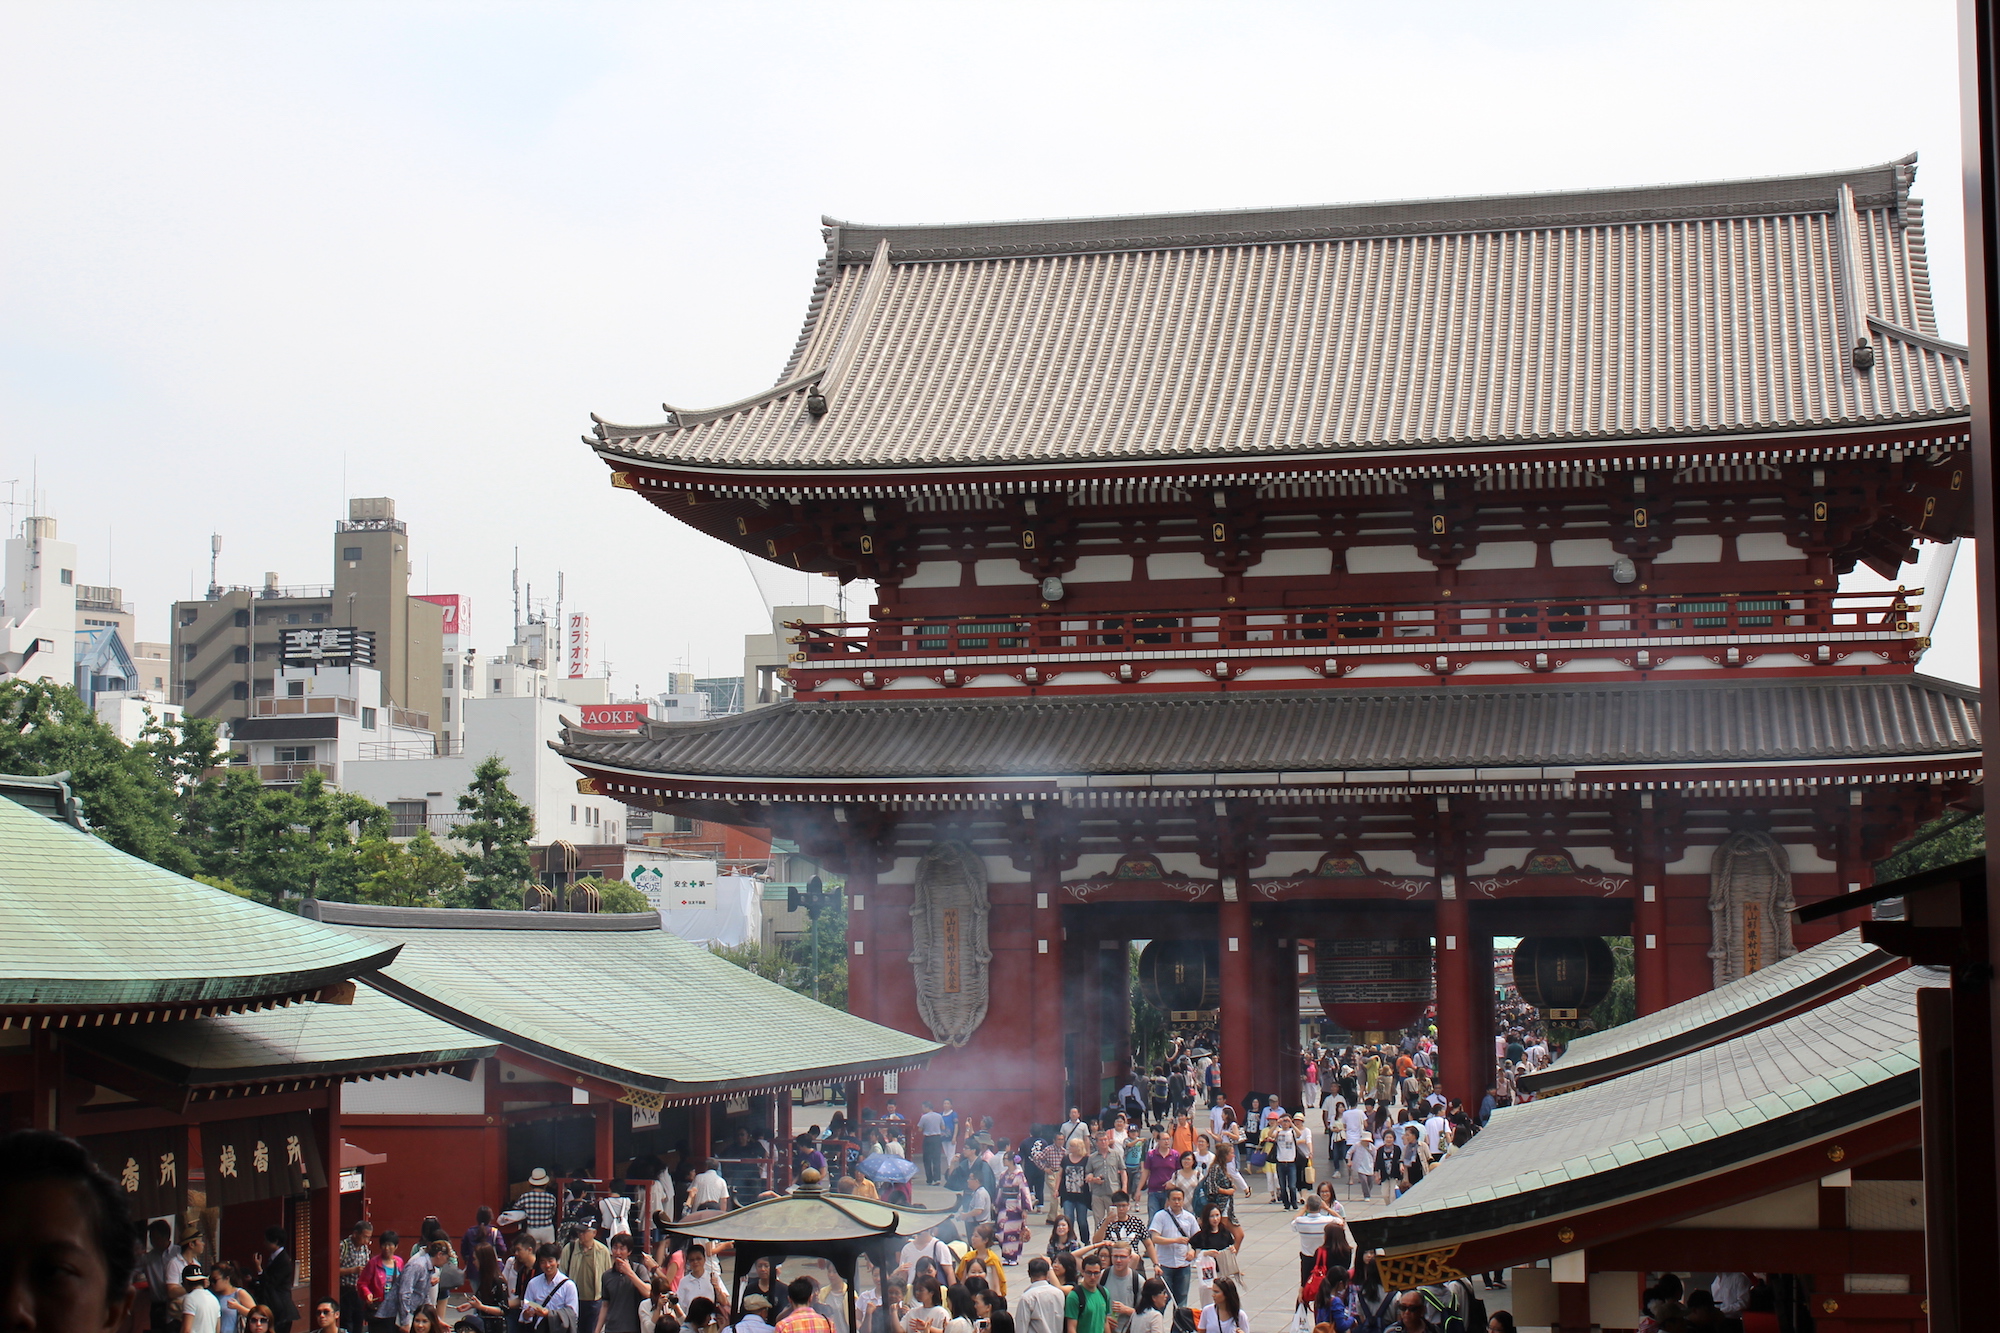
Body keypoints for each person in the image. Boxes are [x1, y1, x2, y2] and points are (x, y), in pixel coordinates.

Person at [1146, 1187, 1196, 1308]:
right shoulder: (1160, 1216)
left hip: (1183, 1264)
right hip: (1165, 1264)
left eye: (1179, 1199)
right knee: (1160, 1300)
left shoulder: (1189, 1218)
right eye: (1174, 1199)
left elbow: (1197, 1240)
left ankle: (1179, 1326)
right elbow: (1155, 1238)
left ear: (1183, 1200)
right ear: (1168, 1200)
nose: (1177, 1202)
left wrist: (1192, 1251)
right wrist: (1175, 1240)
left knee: (1181, 1300)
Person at [561, 1224, 612, 1333]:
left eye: (584, 1232)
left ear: (594, 1233)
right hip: (573, 1300)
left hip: (595, 1301)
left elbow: (608, 1275)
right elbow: (561, 1274)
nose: (581, 1235)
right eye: (579, 1232)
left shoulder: (603, 1250)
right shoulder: (569, 1249)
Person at [520, 1245, 577, 1333]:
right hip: (539, 1329)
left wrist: (549, 1314)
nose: (547, 1265)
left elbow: (573, 1314)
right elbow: (526, 1310)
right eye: (543, 1262)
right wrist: (527, 1314)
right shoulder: (533, 1283)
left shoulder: (568, 1285)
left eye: (550, 1261)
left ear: (557, 1261)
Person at [253, 1229, 300, 1333]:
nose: (264, 1243)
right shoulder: (274, 1257)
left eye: (267, 1241)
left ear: (275, 1241)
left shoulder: (284, 1260)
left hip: (280, 1308)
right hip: (273, 1305)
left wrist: (259, 1270)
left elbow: (272, 1283)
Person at [341, 1224, 376, 1333]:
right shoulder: (343, 1246)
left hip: (360, 1291)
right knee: (346, 1323)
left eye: (368, 1237)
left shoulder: (364, 1249)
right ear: (355, 1234)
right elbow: (332, 1270)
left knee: (359, 1322)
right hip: (346, 1290)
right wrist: (353, 1270)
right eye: (364, 1237)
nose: (366, 1240)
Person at [672, 1248, 726, 1319]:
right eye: (692, 1260)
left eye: (698, 1259)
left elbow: (724, 1302)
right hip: (692, 1322)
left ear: (704, 1259)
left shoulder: (713, 1276)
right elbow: (681, 1306)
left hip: (711, 1322)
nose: (695, 1262)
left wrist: (717, 1287)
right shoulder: (684, 1281)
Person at [1014, 1261, 1064, 1333]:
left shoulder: (1027, 1297)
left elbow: (1021, 1327)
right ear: (1047, 1274)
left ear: (1029, 1273)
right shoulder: (1058, 1293)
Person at [1061, 1256, 1107, 1333]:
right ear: (1082, 1272)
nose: (1092, 1277)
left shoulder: (1104, 1292)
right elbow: (1071, 1328)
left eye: (1096, 1273)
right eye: (1089, 1273)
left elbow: (1105, 1321)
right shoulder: (1074, 1296)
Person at [517, 1173, 560, 1247]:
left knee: (534, 1253)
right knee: (549, 1253)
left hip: (532, 1229)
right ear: (545, 1184)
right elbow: (553, 1213)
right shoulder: (551, 1197)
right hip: (547, 1229)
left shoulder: (525, 1197)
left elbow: (516, 1210)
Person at [213, 1265, 255, 1333]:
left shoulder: (239, 1293)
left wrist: (238, 1307)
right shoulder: (213, 1295)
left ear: (227, 1279)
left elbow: (256, 1313)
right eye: (210, 1280)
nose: (212, 1283)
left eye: (215, 1280)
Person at [181, 1265, 222, 1333]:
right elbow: (217, 1330)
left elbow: (186, 1330)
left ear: (186, 1282)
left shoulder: (190, 1298)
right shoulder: (214, 1299)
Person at [919, 1105, 949, 1187]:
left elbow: (920, 1129)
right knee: (936, 1159)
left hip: (928, 1138)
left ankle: (929, 1179)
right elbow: (943, 1127)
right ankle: (937, 1179)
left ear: (927, 1107)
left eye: (923, 1107)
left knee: (927, 1160)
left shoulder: (924, 1117)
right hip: (937, 1138)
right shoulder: (939, 1116)